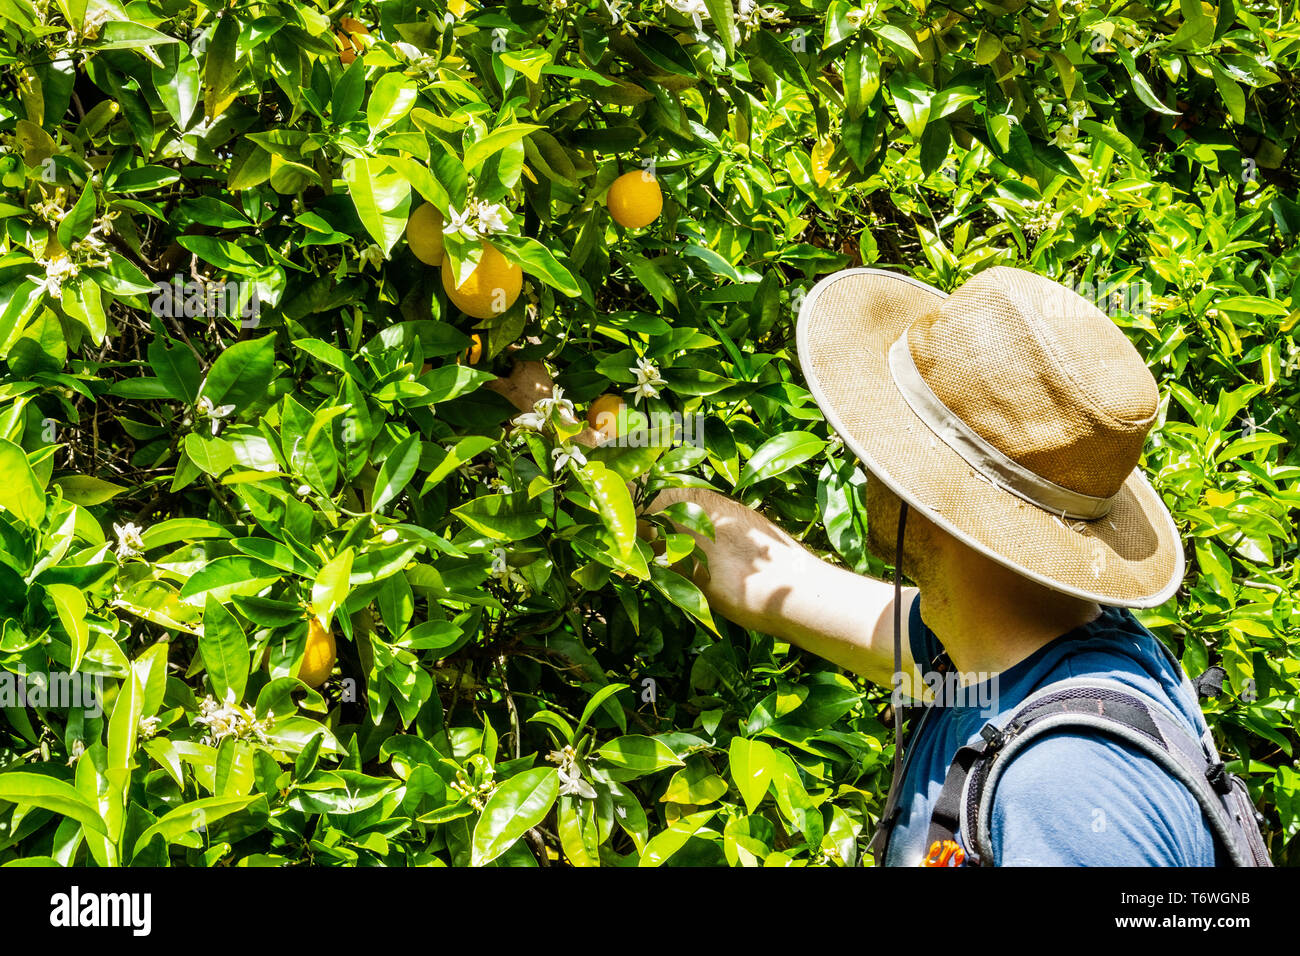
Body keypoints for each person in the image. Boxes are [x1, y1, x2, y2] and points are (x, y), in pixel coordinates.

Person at [490, 265, 1225, 866]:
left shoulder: (1067, 785)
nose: (867, 462)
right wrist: (569, 447)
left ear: (932, 499)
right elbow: (770, 574)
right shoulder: (988, 644)